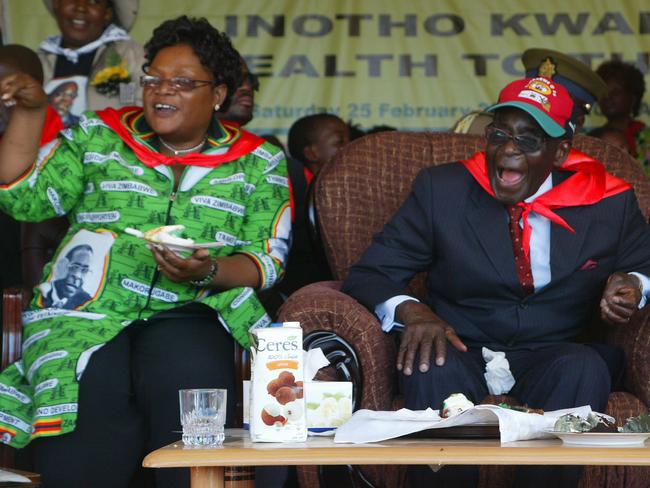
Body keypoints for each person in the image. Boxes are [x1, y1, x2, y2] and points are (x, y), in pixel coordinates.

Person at [0, 15, 290, 488]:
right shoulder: (99, 135)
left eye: (181, 82)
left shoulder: (258, 161)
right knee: (88, 388)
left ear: (216, 94)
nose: (162, 91)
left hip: (197, 306)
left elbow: (268, 260)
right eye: (153, 78)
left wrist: (209, 268)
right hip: (83, 309)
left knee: (185, 384)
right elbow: (21, 196)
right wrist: (31, 114)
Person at [343, 76, 650, 488]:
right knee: (426, 362)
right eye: (500, 135)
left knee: (583, 369)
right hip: (459, 342)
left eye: (528, 140)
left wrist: (632, 282)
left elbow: (644, 264)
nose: (509, 149)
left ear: (560, 151)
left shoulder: (608, 201)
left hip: (552, 349)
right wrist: (413, 311)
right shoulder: (443, 190)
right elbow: (371, 272)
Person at [452, 47, 608, 136]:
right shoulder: (479, 126)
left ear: (579, 121)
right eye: (535, 92)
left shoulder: (591, 152)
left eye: (556, 99)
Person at [38, 0, 145, 122]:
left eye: (94, 1)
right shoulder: (39, 61)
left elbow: (143, 113)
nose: (81, 7)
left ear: (107, 14)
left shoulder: (131, 56)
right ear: (57, 4)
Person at [595, 59, 646, 156]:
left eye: (616, 92)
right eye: (604, 92)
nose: (608, 97)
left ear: (633, 97)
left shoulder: (646, 138)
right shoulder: (593, 138)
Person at [41, 244, 93, 309]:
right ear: (62, 265)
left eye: (84, 270)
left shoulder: (87, 301)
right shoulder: (44, 290)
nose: (78, 276)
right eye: (75, 267)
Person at [217, 56, 258, 126]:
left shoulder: (251, 137)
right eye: (236, 79)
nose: (247, 87)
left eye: (250, 79)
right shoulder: (192, 136)